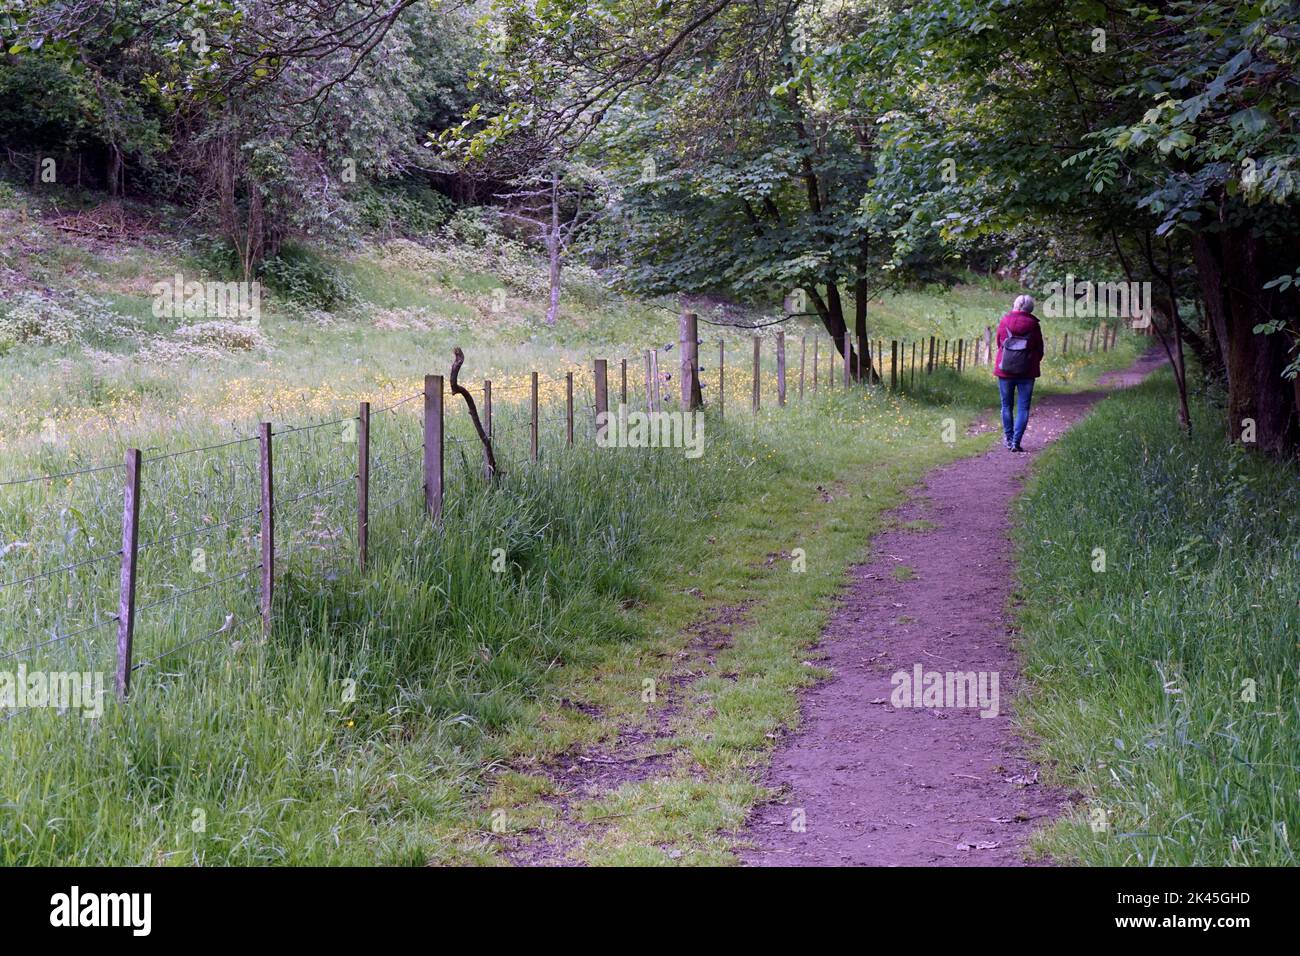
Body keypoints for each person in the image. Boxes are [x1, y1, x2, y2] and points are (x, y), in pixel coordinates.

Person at [994, 294, 1045, 452]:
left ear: (1015, 306)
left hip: (1005, 370)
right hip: (1027, 372)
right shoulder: (1034, 325)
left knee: (1006, 406)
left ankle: (1008, 440)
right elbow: (1039, 349)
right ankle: (1016, 442)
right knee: (1023, 408)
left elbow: (999, 343)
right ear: (1030, 309)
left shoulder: (1005, 321)